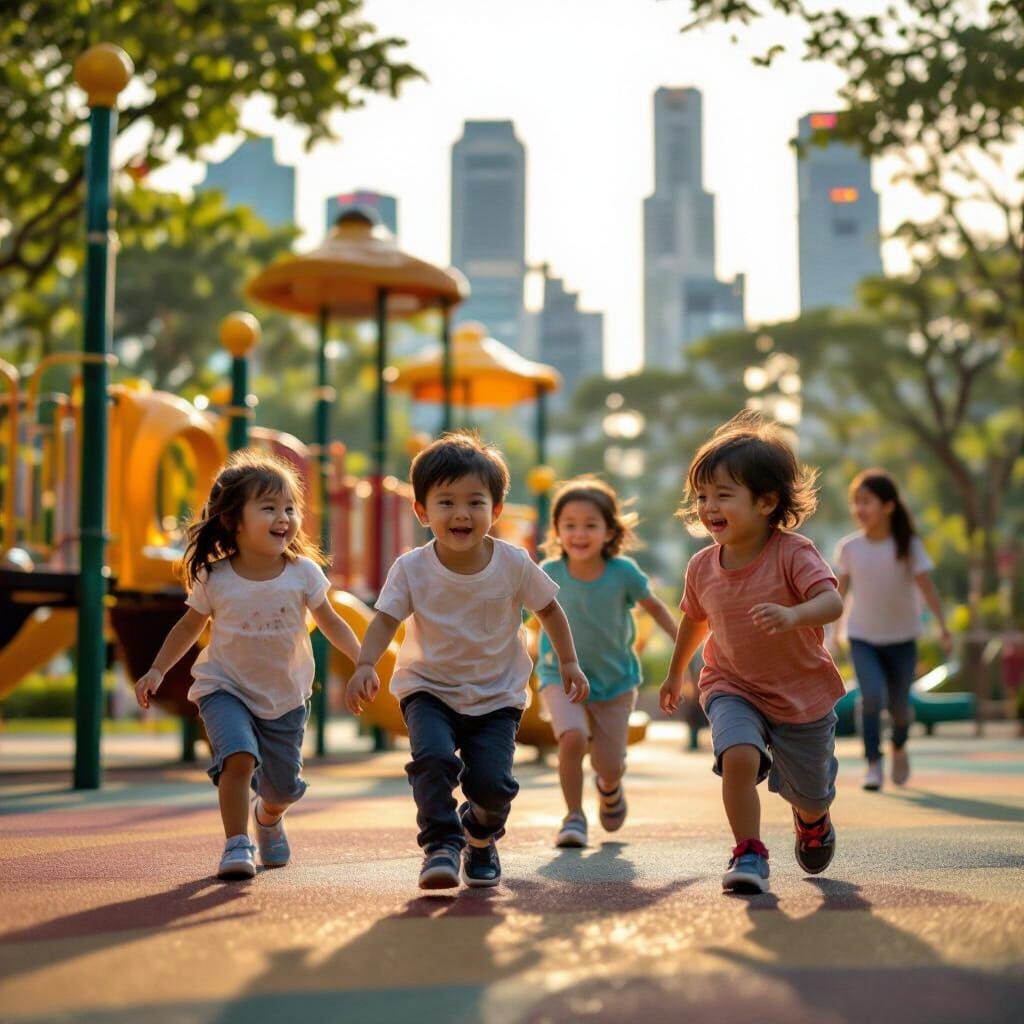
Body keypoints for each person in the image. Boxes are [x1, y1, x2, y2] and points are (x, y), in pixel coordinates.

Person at [345, 431, 589, 890]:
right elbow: (383, 620)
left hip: (497, 694)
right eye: (446, 502)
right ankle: (440, 844)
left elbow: (550, 610)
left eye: (475, 502)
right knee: (433, 759)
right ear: (422, 511)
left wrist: (570, 662)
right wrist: (364, 665)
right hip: (428, 688)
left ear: (495, 510)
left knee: (493, 787)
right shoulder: (411, 568)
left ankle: (479, 836)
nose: (461, 513)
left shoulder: (513, 563)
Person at [134, 450, 360, 880]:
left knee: (282, 788)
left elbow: (330, 621)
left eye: (290, 507)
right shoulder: (215, 578)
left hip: (285, 697)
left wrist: (363, 662)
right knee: (238, 758)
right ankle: (236, 843)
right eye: (270, 507)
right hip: (225, 687)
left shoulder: (303, 573)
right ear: (232, 520)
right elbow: (187, 627)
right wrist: (157, 669)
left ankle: (269, 816)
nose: (284, 516)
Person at [659, 412, 845, 895]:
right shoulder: (702, 565)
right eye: (702, 496)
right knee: (738, 757)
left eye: (723, 494)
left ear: (766, 502)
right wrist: (675, 673)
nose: (708, 506)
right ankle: (748, 852)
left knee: (809, 792)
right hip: (731, 685)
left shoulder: (793, 553)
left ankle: (813, 819)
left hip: (800, 693)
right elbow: (695, 619)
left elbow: (831, 601)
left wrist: (794, 615)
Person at [537, 477, 677, 848]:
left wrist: (683, 644)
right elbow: (516, 617)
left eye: (590, 525)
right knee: (572, 738)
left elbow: (655, 607)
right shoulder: (548, 573)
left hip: (615, 683)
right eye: (569, 525)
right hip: (559, 676)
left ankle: (609, 787)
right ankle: (573, 817)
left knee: (609, 764)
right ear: (557, 530)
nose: (578, 534)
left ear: (609, 530)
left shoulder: (623, 573)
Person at [835, 469, 951, 791]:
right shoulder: (850, 548)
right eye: (855, 502)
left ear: (887, 506)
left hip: (902, 638)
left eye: (866, 501)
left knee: (900, 709)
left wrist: (943, 628)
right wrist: (833, 633)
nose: (859, 509)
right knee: (870, 697)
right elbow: (839, 594)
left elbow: (928, 589)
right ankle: (873, 763)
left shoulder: (908, 546)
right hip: (862, 636)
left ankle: (899, 745)